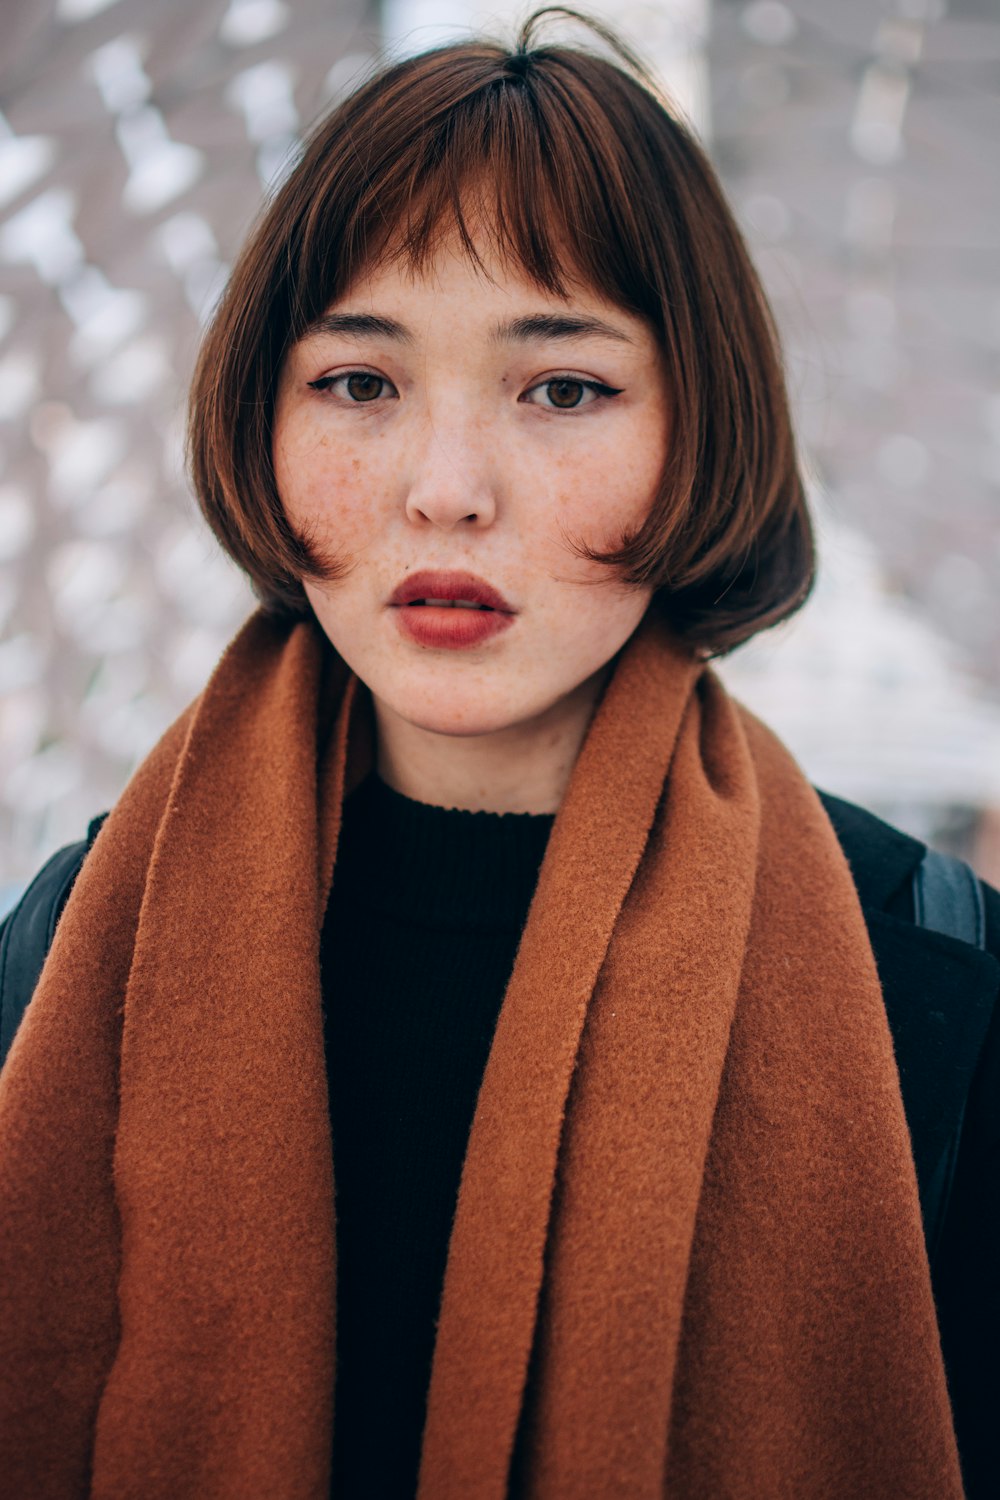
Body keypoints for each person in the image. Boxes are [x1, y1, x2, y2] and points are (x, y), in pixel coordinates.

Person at [0, 8, 996, 1498]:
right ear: (258, 425)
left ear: (699, 432)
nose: (447, 490)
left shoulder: (926, 966)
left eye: (565, 390)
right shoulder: (84, 941)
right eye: (358, 383)